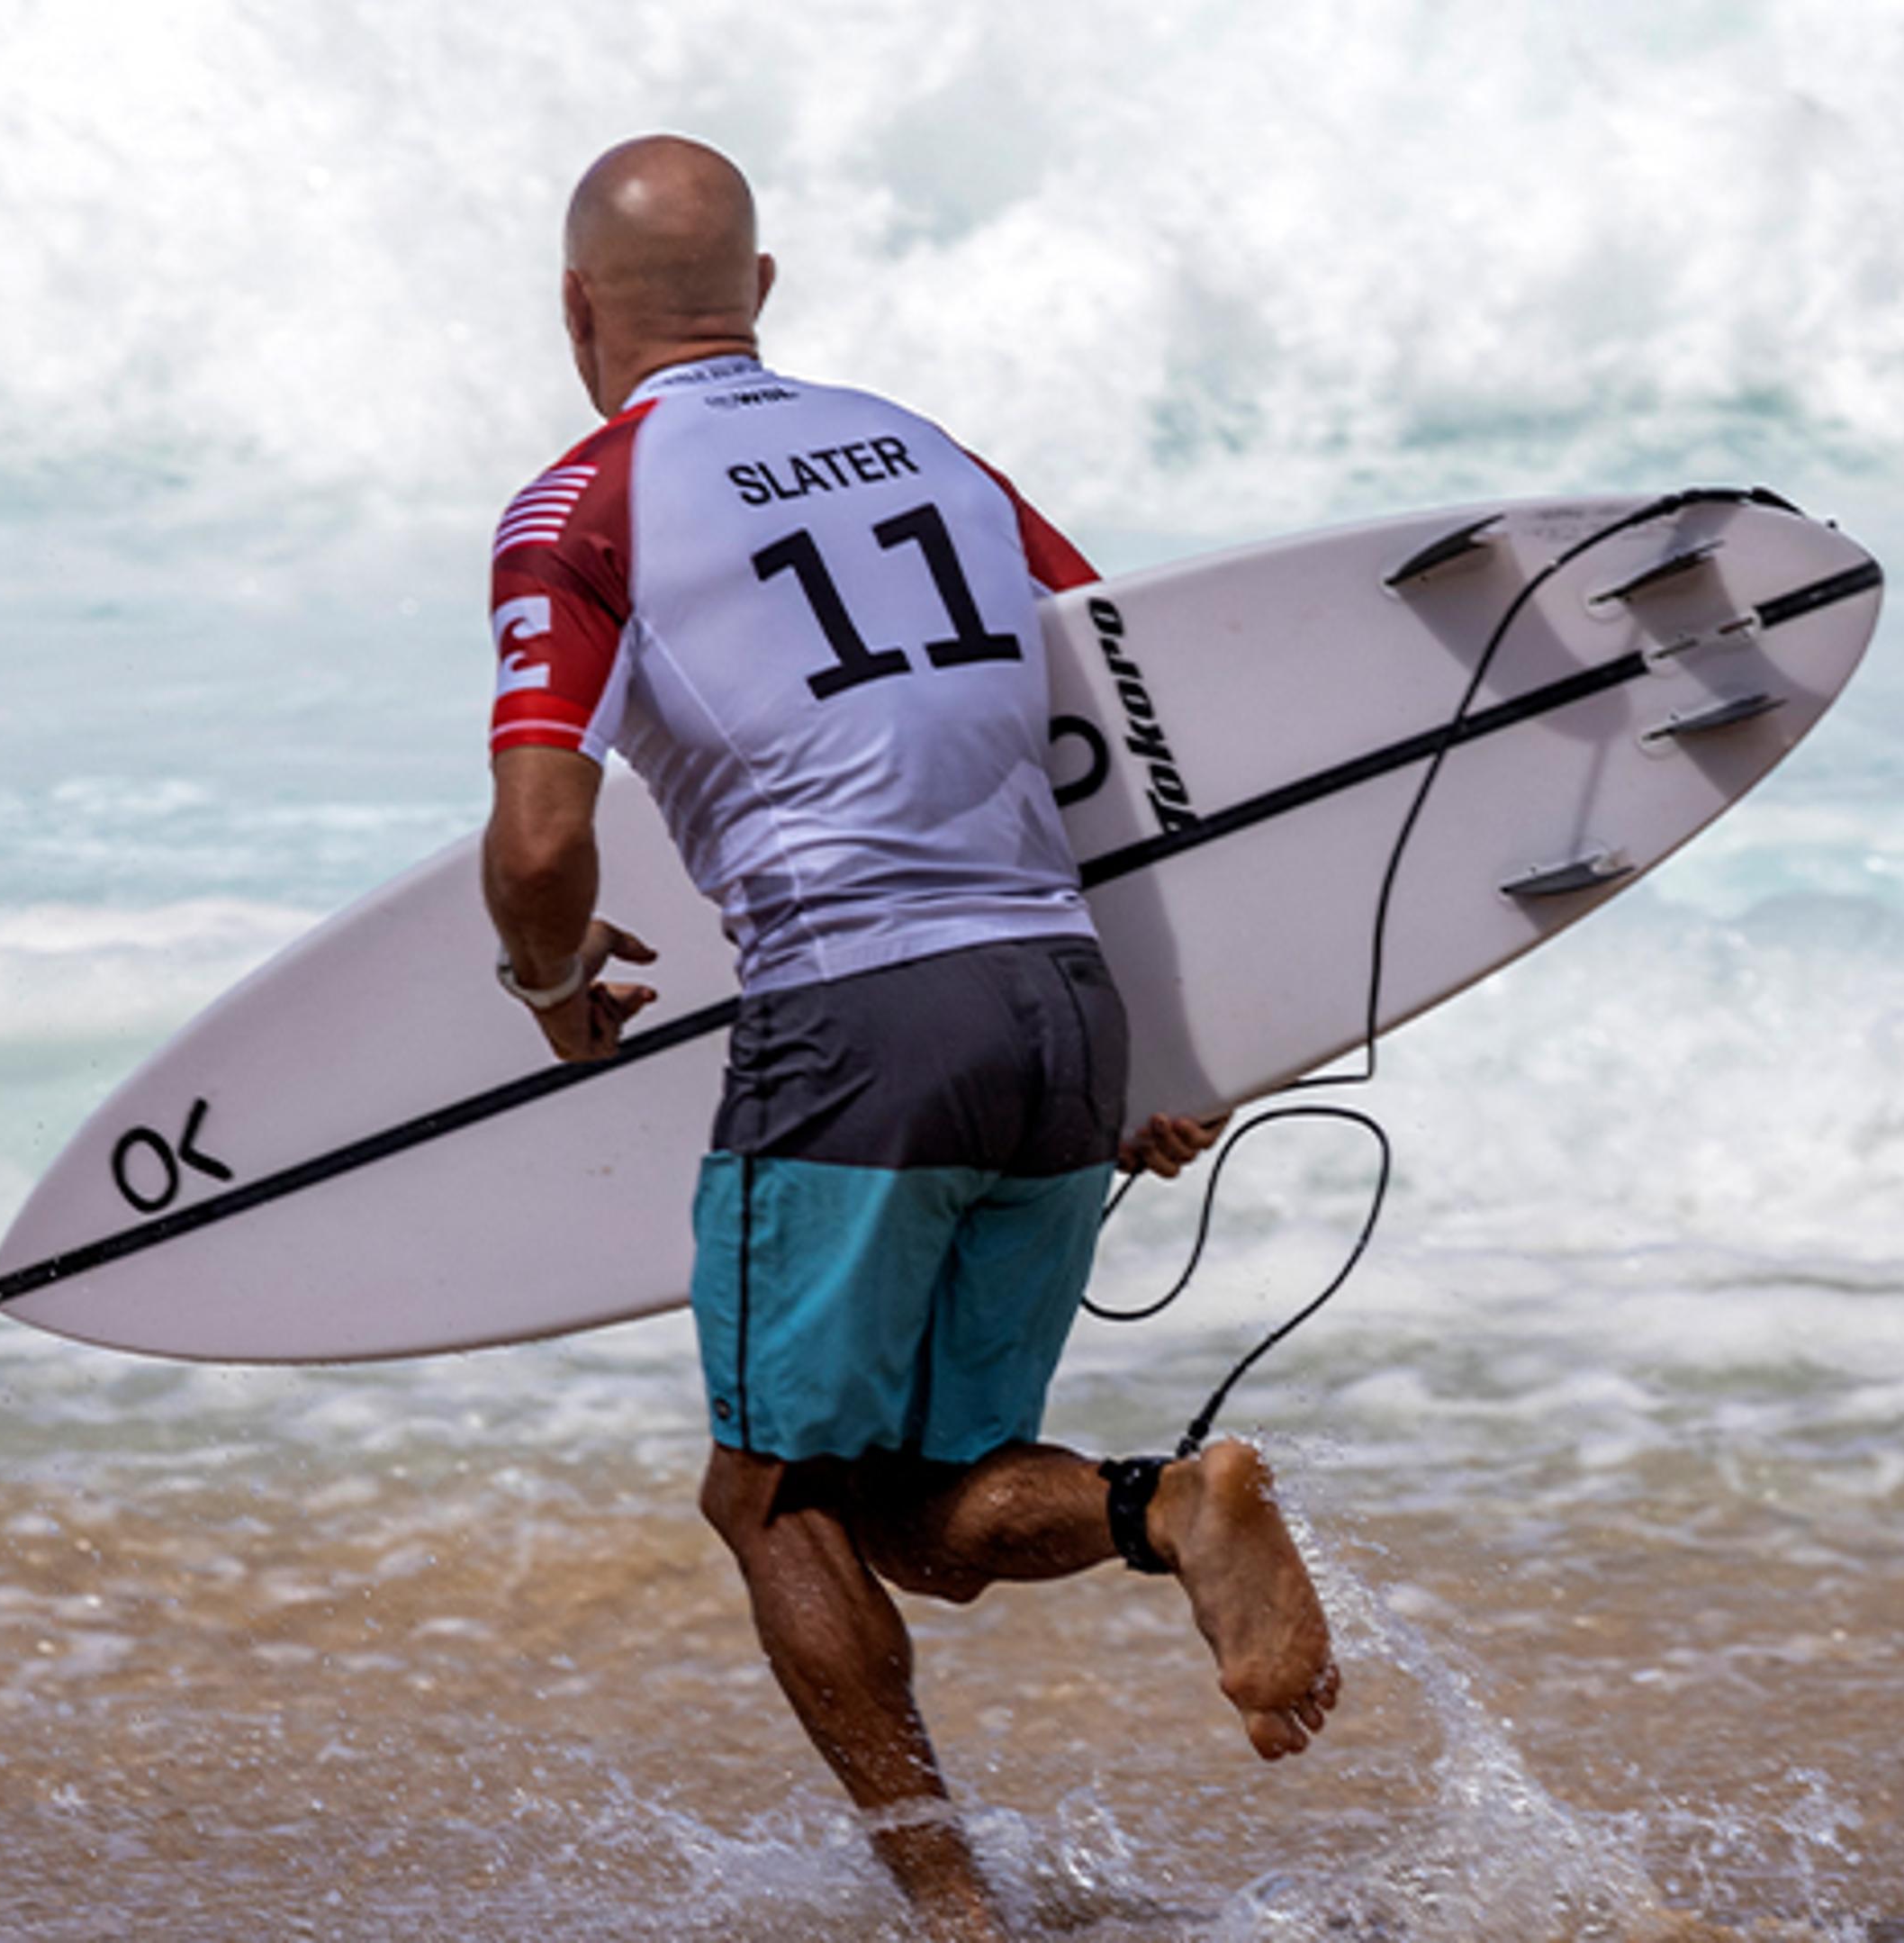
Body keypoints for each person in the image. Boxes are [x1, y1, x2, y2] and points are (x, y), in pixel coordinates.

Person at [476, 135, 1340, 1940]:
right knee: (928, 1521)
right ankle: (1162, 1503)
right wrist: (1175, 1048)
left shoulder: (584, 508)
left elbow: (543, 844)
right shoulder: (939, 454)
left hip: (855, 1019)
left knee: (770, 1492)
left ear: (576, 310)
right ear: (764, 292)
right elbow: (1129, 714)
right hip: (1056, 1002)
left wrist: (553, 993)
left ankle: (952, 1905)